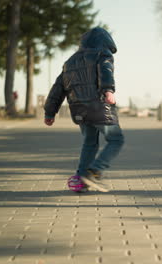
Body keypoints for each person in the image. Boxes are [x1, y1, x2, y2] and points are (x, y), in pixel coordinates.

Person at [44, 27, 124, 192]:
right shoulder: (103, 54)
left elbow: (58, 88)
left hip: (79, 110)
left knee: (89, 142)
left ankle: (80, 178)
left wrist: (50, 112)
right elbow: (105, 71)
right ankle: (94, 171)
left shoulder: (70, 62)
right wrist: (108, 90)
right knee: (116, 139)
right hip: (99, 106)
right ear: (106, 42)